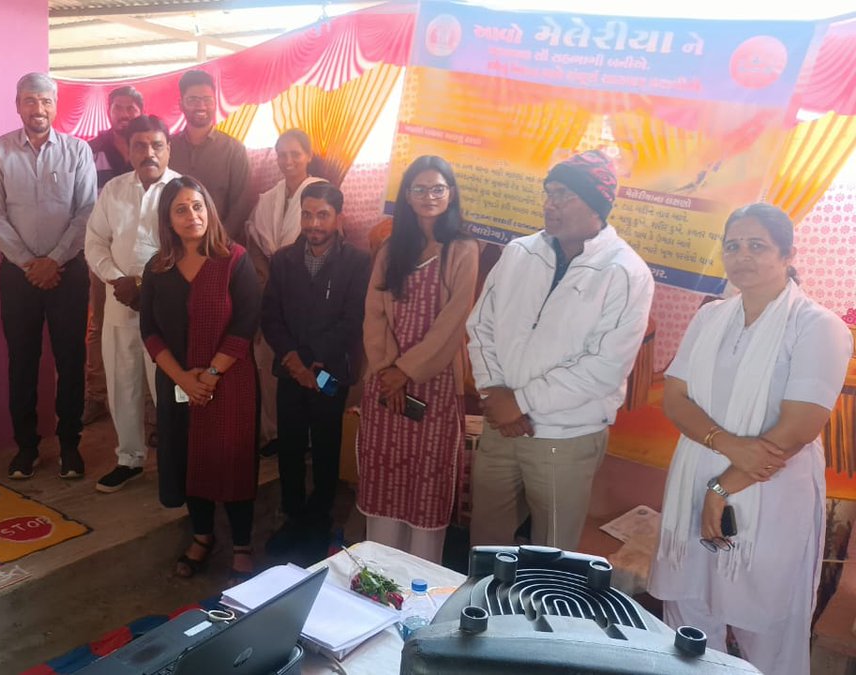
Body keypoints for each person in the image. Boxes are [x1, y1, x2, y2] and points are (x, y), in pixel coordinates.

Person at [649, 203, 852, 675]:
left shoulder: (818, 326)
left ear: (787, 254)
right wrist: (726, 445)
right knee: (690, 613)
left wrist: (721, 489)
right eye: (733, 245)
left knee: (766, 625)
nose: (742, 256)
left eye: (757, 245)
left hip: (768, 491)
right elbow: (675, 397)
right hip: (698, 477)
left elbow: (799, 426)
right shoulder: (710, 318)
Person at [466, 149, 654, 550]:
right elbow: (480, 326)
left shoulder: (625, 272)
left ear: (596, 204)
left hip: (565, 438)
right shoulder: (519, 252)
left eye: (564, 194)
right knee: (486, 546)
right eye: (549, 192)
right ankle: (485, 613)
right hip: (502, 427)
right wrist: (495, 392)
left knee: (549, 556)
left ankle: (538, 616)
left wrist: (521, 401)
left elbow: (605, 366)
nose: (550, 204)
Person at [139, 176, 261, 583]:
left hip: (231, 382)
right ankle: (203, 535)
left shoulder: (235, 259)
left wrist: (208, 376)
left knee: (232, 460)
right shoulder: (158, 267)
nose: (191, 216)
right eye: (180, 209)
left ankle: (242, 543)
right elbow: (150, 330)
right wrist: (183, 380)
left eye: (197, 206)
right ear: (168, 220)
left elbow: (246, 324)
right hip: (177, 383)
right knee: (189, 459)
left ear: (209, 210)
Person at [358, 156, 479, 564]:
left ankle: (418, 593)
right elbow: (373, 314)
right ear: (407, 196)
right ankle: (377, 581)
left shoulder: (463, 249)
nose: (429, 197)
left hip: (434, 384)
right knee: (384, 480)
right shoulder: (392, 249)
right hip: (384, 385)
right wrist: (386, 370)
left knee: (426, 488)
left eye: (438, 189)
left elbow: (452, 322)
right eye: (420, 189)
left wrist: (405, 372)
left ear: (451, 194)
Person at [0, 72, 95, 480]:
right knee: (22, 362)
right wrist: (30, 263)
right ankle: (26, 449)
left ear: (56, 105)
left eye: (45, 101)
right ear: (17, 105)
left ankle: (69, 446)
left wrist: (55, 261)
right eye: (30, 100)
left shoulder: (78, 152)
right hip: (18, 276)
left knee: (71, 359)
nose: (38, 109)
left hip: (69, 273)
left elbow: (86, 212)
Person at [262, 182, 370, 558]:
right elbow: (271, 317)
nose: (313, 223)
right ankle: (292, 517)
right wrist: (294, 360)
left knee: (326, 444)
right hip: (291, 373)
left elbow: (353, 319)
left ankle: (319, 520)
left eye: (322, 215)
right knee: (289, 446)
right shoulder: (282, 260)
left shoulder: (358, 262)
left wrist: (314, 360)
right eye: (307, 214)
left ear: (338, 218)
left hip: (329, 374)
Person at [84, 115, 179, 493]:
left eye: (157, 145)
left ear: (168, 148)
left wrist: (148, 286)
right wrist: (117, 279)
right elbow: (94, 241)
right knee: (122, 383)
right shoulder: (114, 191)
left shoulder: (183, 191)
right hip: (120, 302)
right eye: (140, 145)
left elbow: (191, 246)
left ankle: (176, 462)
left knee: (168, 388)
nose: (149, 153)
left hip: (167, 309)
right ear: (129, 149)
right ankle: (129, 458)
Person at [247, 129, 328, 456]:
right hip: (272, 287)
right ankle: (276, 432)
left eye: (295, 153)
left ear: (308, 155)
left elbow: (332, 240)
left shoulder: (323, 193)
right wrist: (265, 272)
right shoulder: (268, 198)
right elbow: (253, 238)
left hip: (311, 290)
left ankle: (313, 435)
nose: (288, 160)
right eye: (282, 154)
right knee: (270, 361)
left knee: (314, 363)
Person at [83, 86, 145, 426]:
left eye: (131, 108)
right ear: (109, 112)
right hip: (102, 250)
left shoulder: (149, 147)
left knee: (146, 320)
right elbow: (82, 200)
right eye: (118, 108)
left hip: (144, 252)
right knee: (99, 321)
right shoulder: (93, 150)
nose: (125, 114)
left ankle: (145, 396)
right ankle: (96, 394)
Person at [169, 70, 252, 244]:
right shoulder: (168, 148)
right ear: (181, 103)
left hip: (220, 245)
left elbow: (242, 204)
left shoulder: (234, 150)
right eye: (193, 99)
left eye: (207, 99)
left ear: (215, 103)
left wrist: (217, 241)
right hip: (173, 245)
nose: (201, 106)